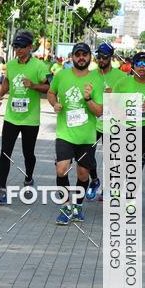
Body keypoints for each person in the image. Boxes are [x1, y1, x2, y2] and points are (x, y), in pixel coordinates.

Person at [47, 41, 103, 225]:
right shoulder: (61, 75)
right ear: (72, 57)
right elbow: (50, 93)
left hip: (87, 136)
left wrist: (87, 98)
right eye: (77, 54)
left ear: (89, 57)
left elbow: (99, 111)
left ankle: (77, 206)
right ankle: (65, 207)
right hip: (65, 133)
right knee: (61, 169)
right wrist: (54, 104)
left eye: (84, 54)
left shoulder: (96, 79)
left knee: (83, 175)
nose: (81, 57)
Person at [0, 30, 50, 203]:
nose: (18, 50)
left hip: (30, 119)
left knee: (28, 153)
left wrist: (33, 85)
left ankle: (28, 178)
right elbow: (7, 82)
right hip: (11, 117)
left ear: (30, 47)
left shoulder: (40, 66)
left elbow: (49, 88)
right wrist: (0, 95)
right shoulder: (10, 65)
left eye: (22, 47)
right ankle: (2, 189)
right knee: (5, 153)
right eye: (16, 46)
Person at [87, 43, 127, 200]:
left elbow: (128, 101)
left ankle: (108, 189)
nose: (101, 59)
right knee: (86, 156)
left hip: (113, 123)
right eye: (99, 56)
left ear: (111, 57)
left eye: (104, 57)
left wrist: (115, 95)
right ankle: (95, 180)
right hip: (93, 122)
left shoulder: (121, 77)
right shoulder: (90, 75)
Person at [112, 51, 145, 167]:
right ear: (133, 66)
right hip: (124, 127)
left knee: (137, 166)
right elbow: (111, 105)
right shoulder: (123, 82)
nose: (141, 66)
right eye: (138, 63)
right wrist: (120, 113)